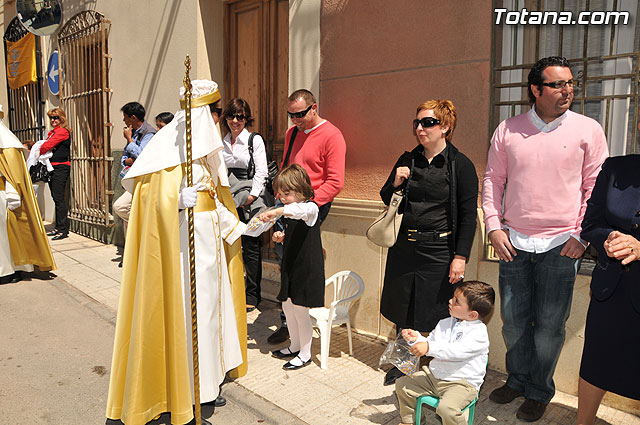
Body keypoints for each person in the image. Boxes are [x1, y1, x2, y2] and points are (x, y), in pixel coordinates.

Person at [106, 80, 247, 425]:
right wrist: (174, 201)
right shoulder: (167, 150)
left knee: (211, 316)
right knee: (187, 317)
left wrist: (239, 227)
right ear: (202, 113)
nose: (219, 120)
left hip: (210, 250)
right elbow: (140, 201)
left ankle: (207, 387)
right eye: (216, 113)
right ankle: (183, 391)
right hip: (180, 254)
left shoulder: (207, 152)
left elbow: (216, 196)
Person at [482, 56, 609, 422]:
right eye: (557, 84)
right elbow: (493, 180)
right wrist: (494, 225)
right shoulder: (508, 129)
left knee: (551, 326)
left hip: (561, 247)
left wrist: (581, 236)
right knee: (514, 321)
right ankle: (518, 380)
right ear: (535, 90)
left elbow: (594, 189)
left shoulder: (588, 130)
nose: (567, 90)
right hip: (513, 243)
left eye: (570, 83)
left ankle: (539, 390)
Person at [380, 99, 479, 386]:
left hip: (439, 249)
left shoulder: (460, 165)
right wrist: (396, 182)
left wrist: (460, 256)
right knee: (404, 307)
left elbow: (467, 217)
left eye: (428, 122)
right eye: (417, 123)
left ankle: (435, 361)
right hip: (405, 246)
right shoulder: (407, 159)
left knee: (435, 309)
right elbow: (387, 198)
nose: (420, 128)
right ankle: (405, 362)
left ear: (445, 127)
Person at [267, 88, 346, 345]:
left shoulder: (332, 135)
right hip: (287, 204)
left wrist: (306, 207)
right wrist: (280, 194)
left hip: (311, 207)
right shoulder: (292, 133)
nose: (296, 120)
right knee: (284, 257)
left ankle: (301, 321)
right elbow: (286, 167)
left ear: (314, 108)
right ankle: (288, 320)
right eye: (291, 115)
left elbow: (334, 182)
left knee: (298, 261)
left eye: (300, 114)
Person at [576, 150, 640, 424]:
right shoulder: (616, 168)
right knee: (596, 363)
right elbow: (590, 224)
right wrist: (609, 238)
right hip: (612, 288)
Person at [395, 280, 495, 425]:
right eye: (453, 297)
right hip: (435, 376)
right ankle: (410, 421)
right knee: (403, 384)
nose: (450, 301)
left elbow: (456, 351)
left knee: (447, 409)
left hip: (461, 383)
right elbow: (432, 342)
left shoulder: (478, 332)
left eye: (456, 301)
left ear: (472, 315)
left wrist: (428, 347)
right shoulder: (444, 323)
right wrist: (416, 339)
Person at [259, 164, 325, 370]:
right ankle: (295, 346)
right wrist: (282, 237)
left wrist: (276, 211)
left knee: (300, 310)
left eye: (287, 194)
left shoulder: (310, 208)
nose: (283, 198)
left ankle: (305, 354)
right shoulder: (291, 211)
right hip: (291, 265)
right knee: (287, 306)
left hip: (306, 268)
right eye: (281, 194)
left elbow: (300, 211)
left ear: (300, 190)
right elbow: (298, 232)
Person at [221, 98, 271, 312]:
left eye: (240, 116)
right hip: (229, 197)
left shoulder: (253, 140)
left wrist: (251, 196)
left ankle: (253, 294)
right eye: (231, 116)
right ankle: (232, 288)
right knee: (231, 242)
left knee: (251, 246)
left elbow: (261, 171)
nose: (235, 120)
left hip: (248, 198)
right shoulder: (223, 140)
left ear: (246, 118)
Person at [0, 108, 56, 284]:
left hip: (4, 196)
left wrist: (12, 195)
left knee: (9, 236)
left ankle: (11, 270)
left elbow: (14, 176)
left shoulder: (8, 145)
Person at [112, 102, 157, 237]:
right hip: (132, 177)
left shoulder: (148, 133)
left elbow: (142, 155)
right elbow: (124, 158)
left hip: (145, 179)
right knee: (127, 217)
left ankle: (145, 230)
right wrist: (130, 156)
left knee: (120, 207)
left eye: (125, 117)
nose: (124, 121)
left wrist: (129, 139)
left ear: (133, 117)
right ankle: (130, 253)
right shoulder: (134, 133)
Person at [39, 108, 71, 240]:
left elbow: (45, 147)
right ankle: (58, 228)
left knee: (58, 198)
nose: (53, 120)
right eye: (51, 118)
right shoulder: (53, 133)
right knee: (56, 198)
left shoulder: (62, 132)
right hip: (53, 168)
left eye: (56, 117)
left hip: (60, 168)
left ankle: (62, 230)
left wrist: (42, 147)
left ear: (62, 119)